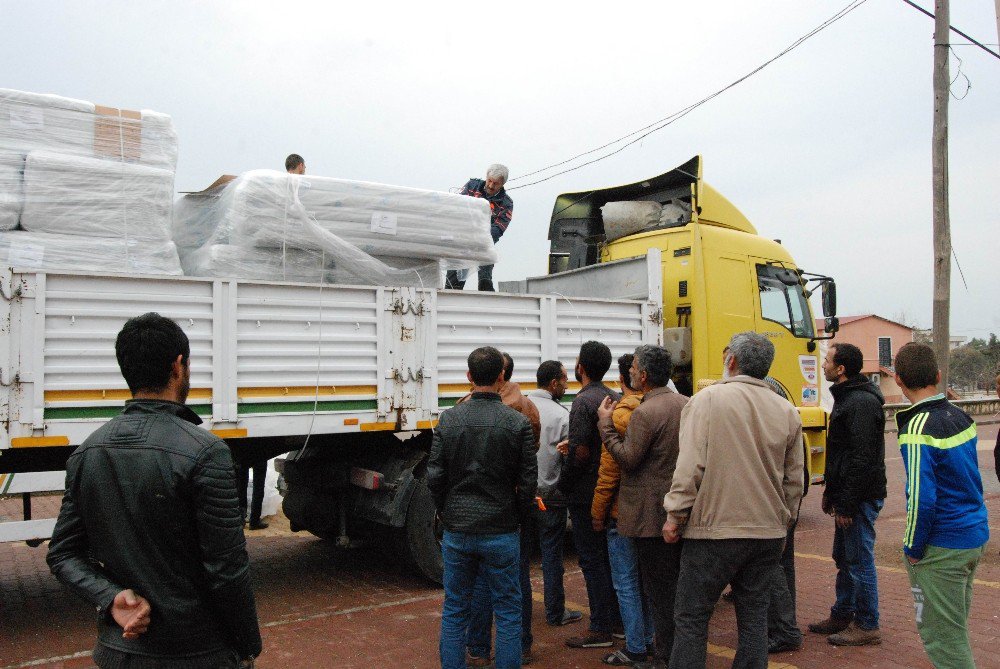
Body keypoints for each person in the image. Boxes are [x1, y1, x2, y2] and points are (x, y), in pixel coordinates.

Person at [47, 313, 262, 668]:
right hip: (197, 654)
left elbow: (63, 554)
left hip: (119, 654)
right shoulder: (207, 452)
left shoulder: (88, 451)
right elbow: (227, 569)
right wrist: (247, 645)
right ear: (179, 366)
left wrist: (111, 596)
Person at [663, 332, 803, 669]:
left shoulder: (708, 400)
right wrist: (783, 522)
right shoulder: (786, 410)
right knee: (754, 619)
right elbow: (794, 480)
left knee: (692, 617)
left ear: (731, 361)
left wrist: (675, 515)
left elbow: (690, 465)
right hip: (766, 533)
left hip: (714, 531)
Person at [427, 346, 537, 669]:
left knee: (455, 609)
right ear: (502, 377)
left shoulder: (449, 419)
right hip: (502, 529)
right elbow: (527, 483)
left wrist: (446, 511)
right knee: (507, 612)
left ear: (469, 377)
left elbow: (435, 476)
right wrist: (517, 516)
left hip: (458, 530)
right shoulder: (516, 423)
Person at [894, 342, 989, 669]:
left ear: (898, 380)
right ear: (936, 375)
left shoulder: (917, 429)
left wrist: (912, 545)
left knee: (944, 640)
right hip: (972, 535)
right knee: (955, 628)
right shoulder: (961, 416)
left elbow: (921, 497)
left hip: (942, 545)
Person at [598, 346, 687, 666]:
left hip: (650, 514)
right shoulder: (684, 403)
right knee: (673, 588)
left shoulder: (646, 412)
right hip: (680, 507)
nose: (630, 371)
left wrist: (606, 426)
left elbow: (628, 459)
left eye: (634, 367)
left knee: (658, 592)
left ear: (644, 375)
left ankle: (665, 656)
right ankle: (674, 651)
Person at [807, 342, 887, 647]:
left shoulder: (860, 404)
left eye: (827, 361)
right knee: (845, 557)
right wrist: (832, 491)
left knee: (858, 560)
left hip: (860, 498)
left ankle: (867, 623)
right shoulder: (848, 399)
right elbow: (842, 455)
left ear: (841, 370)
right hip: (850, 495)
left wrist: (848, 503)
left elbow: (861, 459)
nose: (823, 365)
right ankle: (843, 613)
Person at [466, 352, 541, 665]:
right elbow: (530, 460)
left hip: (472, 509)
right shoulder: (524, 408)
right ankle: (520, 645)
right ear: (504, 375)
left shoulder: (462, 410)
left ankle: (479, 649)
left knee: (480, 581)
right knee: (516, 580)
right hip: (509, 508)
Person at [592, 353, 656, 666]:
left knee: (626, 583)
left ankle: (635, 646)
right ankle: (650, 639)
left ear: (625, 381)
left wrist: (597, 513)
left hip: (622, 512)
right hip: (655, 511)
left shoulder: (618, 417)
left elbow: (608, 474)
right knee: (648, 582)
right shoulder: (663, 409)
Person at [557, 340, 622, 649]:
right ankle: (620, 620)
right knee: (612, 559)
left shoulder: (583, 402)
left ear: (580, 367)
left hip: (586, 494)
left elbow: (581, 451)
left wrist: (564, 482)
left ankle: (600, 627)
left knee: (592, 560)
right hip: (612, 489)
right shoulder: (615, 396)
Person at [525, 361, 584, 629]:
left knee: (520, 556)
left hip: (524, 495)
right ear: (553, 383)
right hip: (552, 497)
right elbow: (569, 460)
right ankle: (555, 611)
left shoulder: (521, 408)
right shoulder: (562, 415)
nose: (567, 384)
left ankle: (520, 610)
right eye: (564, 379)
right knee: (551, 556)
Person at [445, 163, 513, 292]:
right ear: (486, 177)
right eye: (489, 181)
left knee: (485, 277)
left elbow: (499, 228)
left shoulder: (506, 203)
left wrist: (478, 238)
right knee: (453, 285)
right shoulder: (472, 186)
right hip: (462, 242)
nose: (491, 186)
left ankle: (485, 289)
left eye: (496, 183)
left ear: (502, 184)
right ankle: (452, 294)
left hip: (484, 245)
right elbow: (458, 207)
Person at [237, 459, 270, 530]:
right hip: (259, 453)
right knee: (259, 487)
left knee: (241, 486)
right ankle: (254, 521)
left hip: (242, 452)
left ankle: (241, 519)